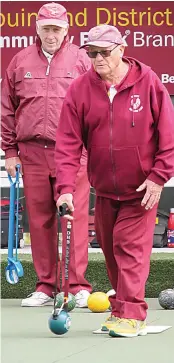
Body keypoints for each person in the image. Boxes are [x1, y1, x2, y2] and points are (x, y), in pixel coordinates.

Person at [55, 24, 174, 337]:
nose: (97, 59)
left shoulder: (148, 82)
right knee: (110, 250)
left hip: (142, 189)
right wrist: (65, 188)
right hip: (105, 189)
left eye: (104, 52)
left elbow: (168, 134)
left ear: (122, 49)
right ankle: (120, 311)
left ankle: (133, 314)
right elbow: (67, 142)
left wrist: (158, 177)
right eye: (92, 53)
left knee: (129, 248)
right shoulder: (80, 89)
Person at [1, 2, 92, 307]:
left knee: (74, 218)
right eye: (46, 29)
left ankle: (78, 285)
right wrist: (10, 151)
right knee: (39, 220)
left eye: (57, 29)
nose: (51, 35)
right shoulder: (19, 60)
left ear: (67, 30)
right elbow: (7, 109)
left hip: (74, 153)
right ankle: (45, 285)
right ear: (37, 28)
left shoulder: (82, 60)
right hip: (31, 151)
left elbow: (96, 107)